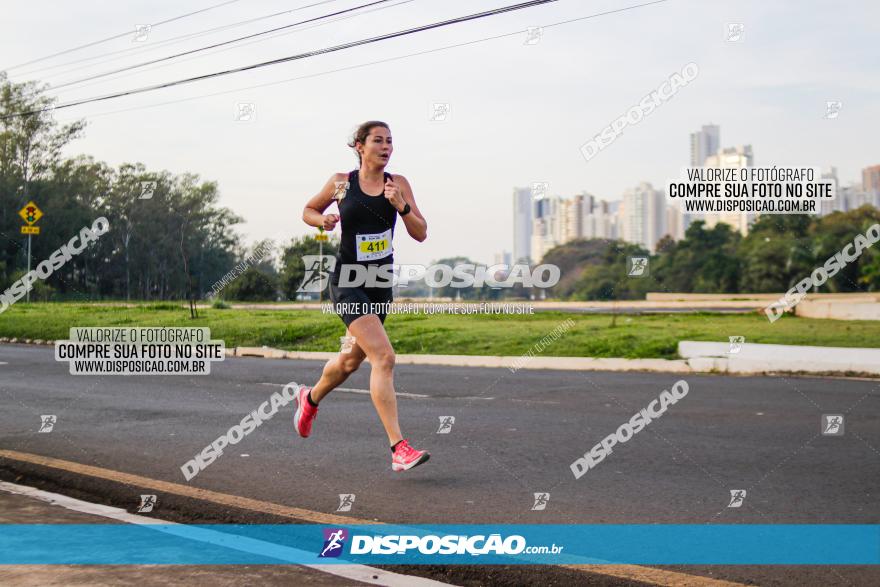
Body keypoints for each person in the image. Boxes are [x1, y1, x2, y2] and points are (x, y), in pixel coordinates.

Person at [298, 120, 430, 472]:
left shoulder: (397, 184)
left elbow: (421, 233)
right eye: (378, 141)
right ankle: (398, 448)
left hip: (380, 283)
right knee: (384, 358)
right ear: (360, 146)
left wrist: (401, 206)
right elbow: (308, 210)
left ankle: (309, 400)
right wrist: (321, 221)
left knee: (349, 362)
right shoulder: (342, 183)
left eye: (390, 142)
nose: (386, 147)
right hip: (347, 280)